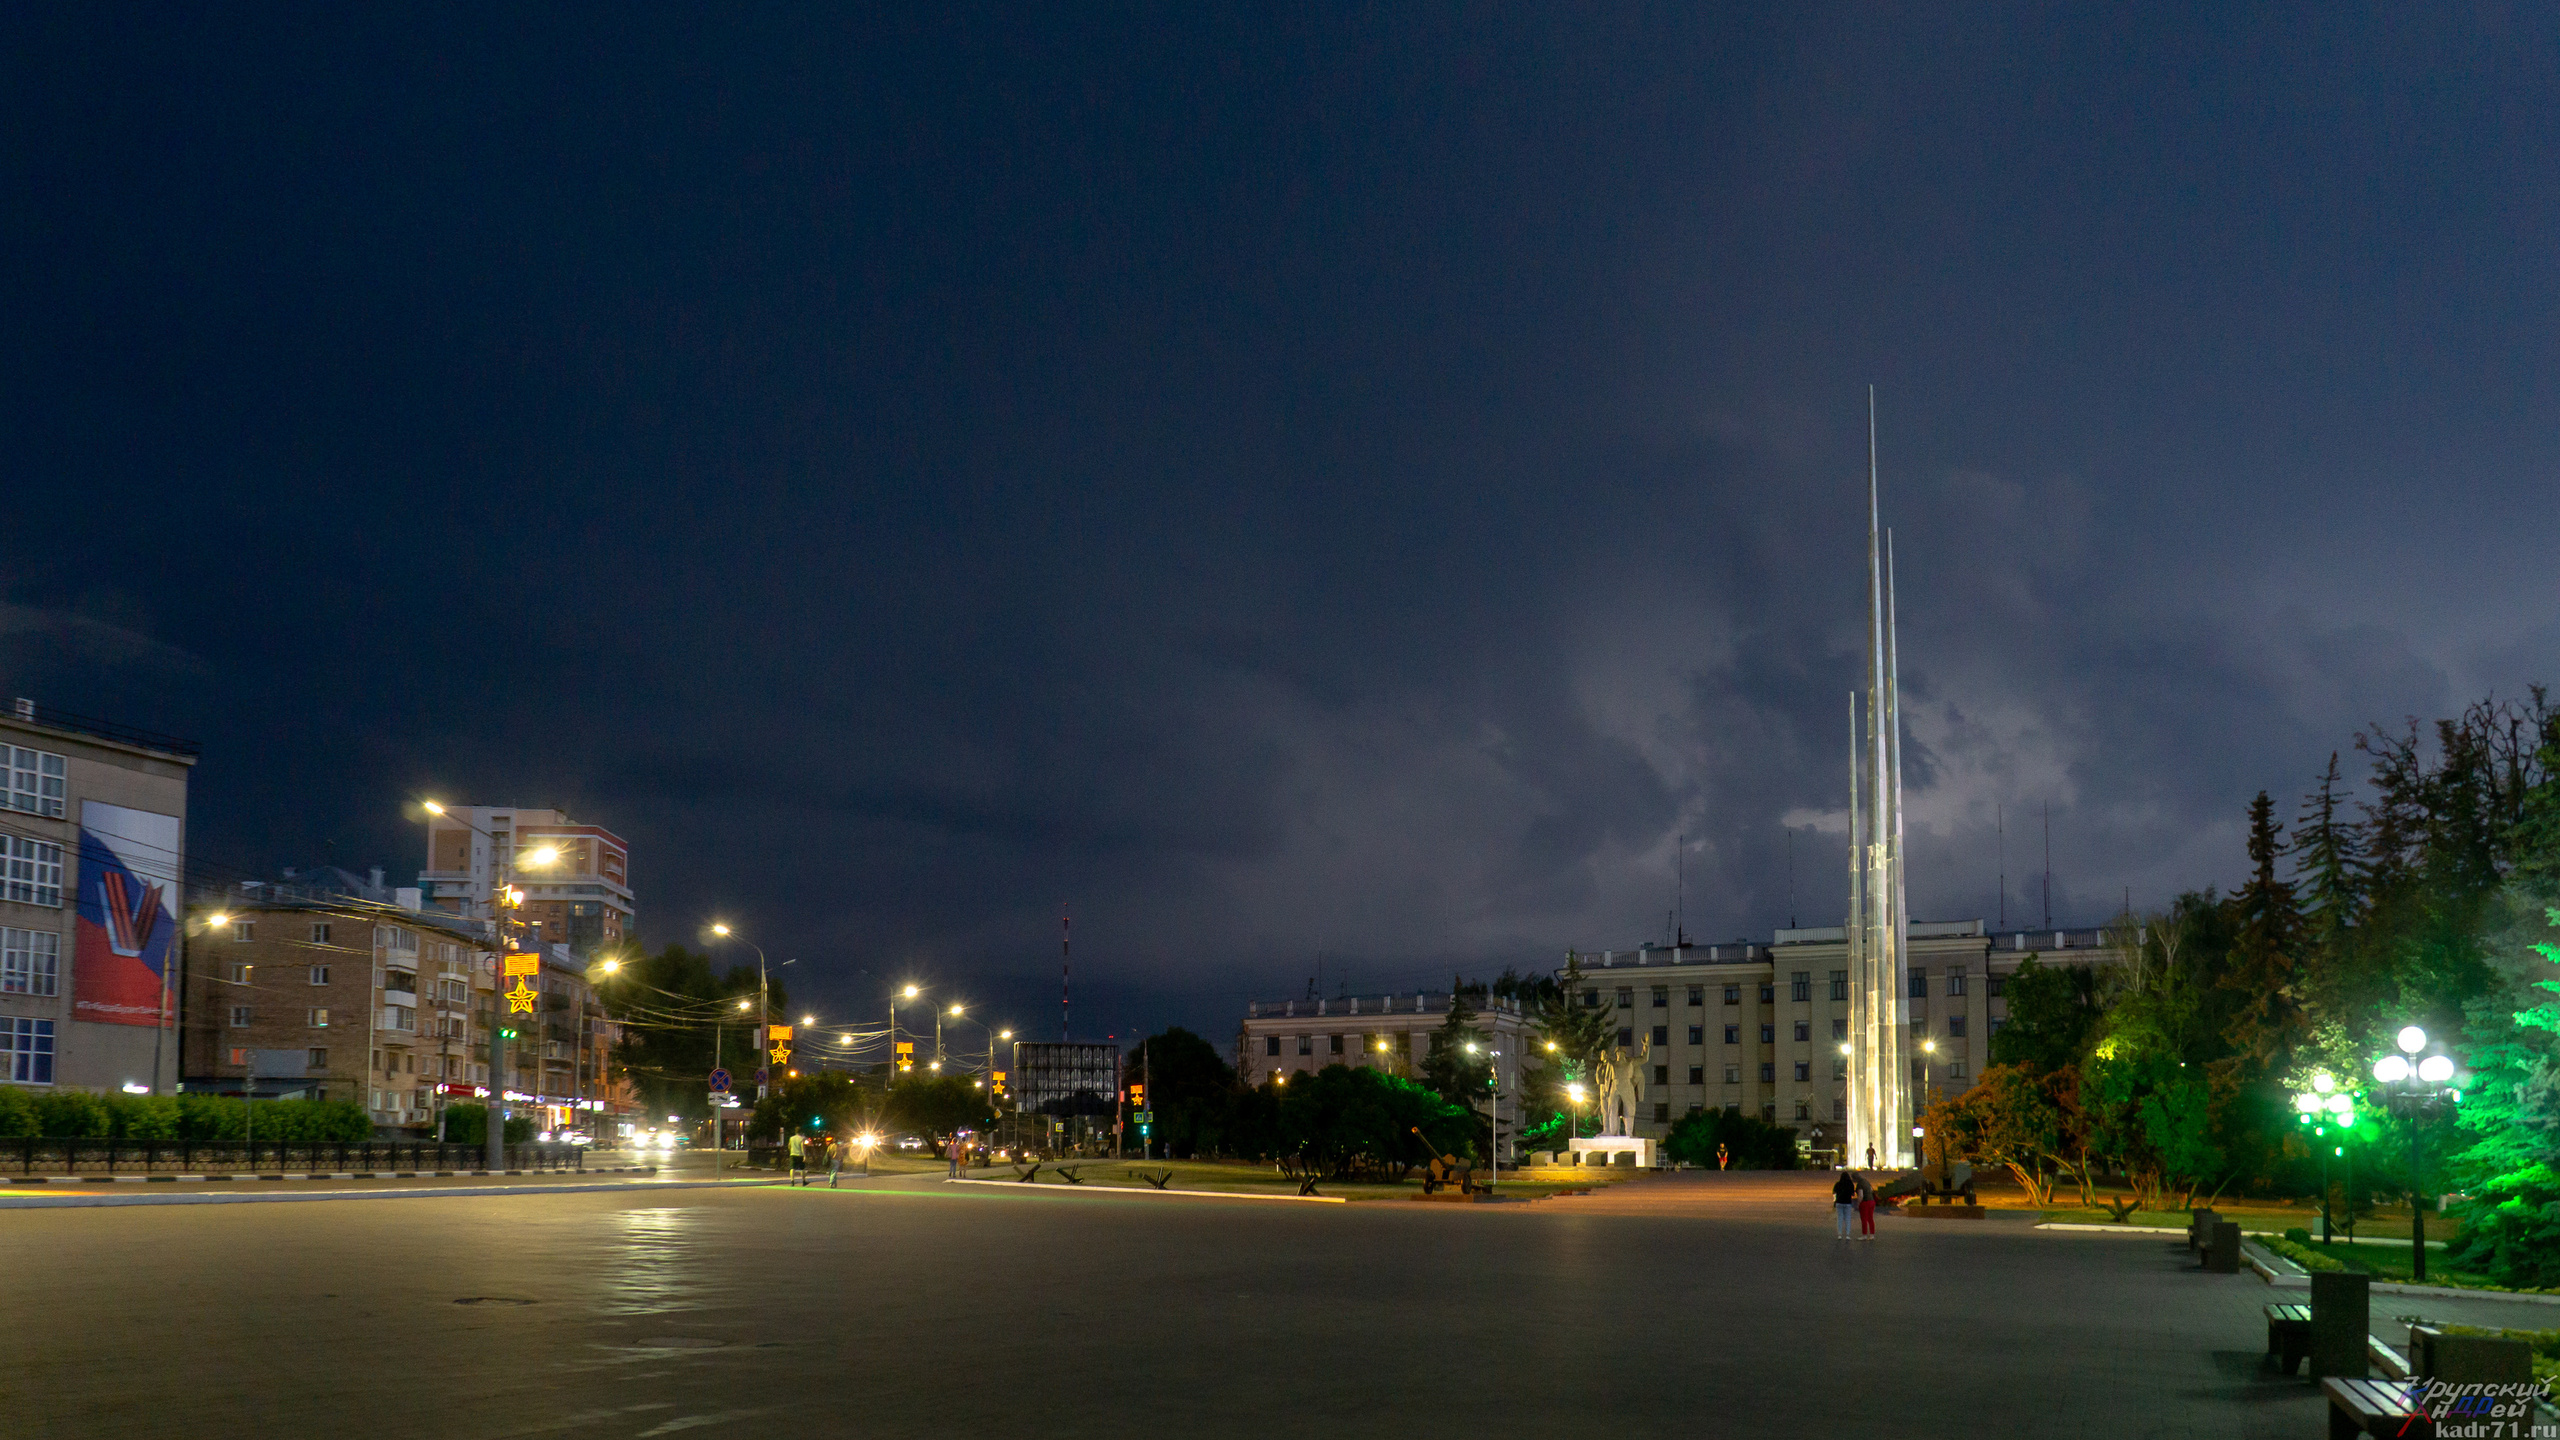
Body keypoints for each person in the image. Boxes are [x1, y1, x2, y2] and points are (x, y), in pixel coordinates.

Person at [1832, 1169, 1858, 1239]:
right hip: (1848, 1203)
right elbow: (1853, 1194)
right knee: (1847, 1219)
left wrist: (1834, 1200)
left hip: (1839, 1202)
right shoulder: (1850, 1184)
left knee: (1839, 1218)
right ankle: (1847, 1234)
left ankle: (1839, 1234)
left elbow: (1834, 1193)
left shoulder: (1838, 1184)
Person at [1855, 1169, 1877, 1239]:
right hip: (1871, 1201)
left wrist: (1858, 1203)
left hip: (1865, 1202)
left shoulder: (1860, 1184)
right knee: (1870, 1218)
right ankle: (1872, 1234)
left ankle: (1864, 1235)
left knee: (1864, 1219)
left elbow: (1861, 1195)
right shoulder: (1867, 1182)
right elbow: (1871, 1190)